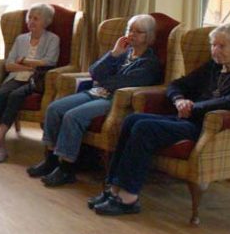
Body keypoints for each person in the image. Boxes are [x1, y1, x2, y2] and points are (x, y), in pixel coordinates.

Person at [91, 22, 230, 216]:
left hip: (208, 127)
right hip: (186, 118)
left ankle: (129, 197)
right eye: (213, 45)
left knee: (143, 128)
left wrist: (194, 107)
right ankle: (113, 188)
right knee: (132, 120)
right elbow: (177, 84)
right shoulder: (213, 67)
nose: (215, 50)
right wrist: (180, 100)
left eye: (221, 46)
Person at [27, 14, 163, 187]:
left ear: (148, 36)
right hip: (97, 91)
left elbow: (120, 84)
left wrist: (102, 79)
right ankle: (51, 159)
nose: (132, 34)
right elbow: (94, 72)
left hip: (116, 101)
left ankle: (66, 168)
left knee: (72, 116)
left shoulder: (149, 63)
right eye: (130, 30)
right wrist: (113, 54)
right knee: (54, 108)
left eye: (139, 32)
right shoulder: (123, 52)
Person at [0, 3, 60, 165]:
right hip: (15, 77)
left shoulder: (53, 39)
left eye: (36, 18)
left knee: (15, 96)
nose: (31, 21)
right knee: (0, 95)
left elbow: (50, 62)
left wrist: (24, 61)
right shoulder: (21, 39)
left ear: (46, 22)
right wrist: (29, 65)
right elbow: (8, 64)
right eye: (29, 18)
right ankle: (1, 147)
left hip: (35, 80)